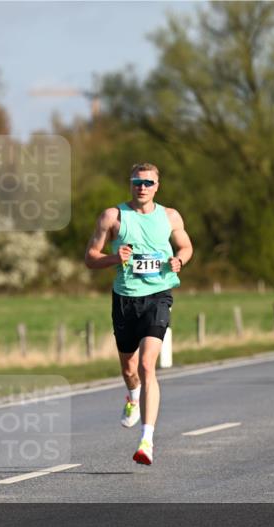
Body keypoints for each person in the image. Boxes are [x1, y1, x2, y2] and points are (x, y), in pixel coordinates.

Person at [84, 162, 193, 465]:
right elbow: (90, 258)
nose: (141, 187)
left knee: (147, 365)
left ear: (157, 186)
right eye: (136, 182)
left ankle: (147, 440)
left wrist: (179, 261)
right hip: (125, 299)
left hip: (158, 295)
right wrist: (112, 259)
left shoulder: (170, 216)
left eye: (147, 183)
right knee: (130, 370)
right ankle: (132, 396)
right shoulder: (113, 217)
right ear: (130, 185)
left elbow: (185, 246)